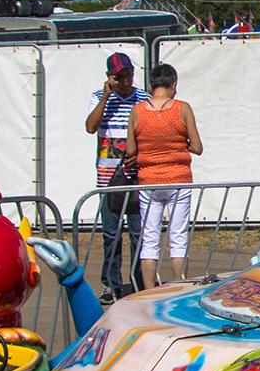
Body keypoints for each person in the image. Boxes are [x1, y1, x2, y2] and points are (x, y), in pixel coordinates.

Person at [127, 62, 202, 289]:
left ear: (150, 86)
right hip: (178, 179)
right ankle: (180, 286)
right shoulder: (183, 108)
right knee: (178, 236)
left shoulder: (137, 110)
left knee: (149, 238)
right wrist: (180, 145)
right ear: (174, 85)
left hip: (148, 181)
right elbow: (197, 147)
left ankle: (149, 290)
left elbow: (130, 150)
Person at [82, 52, 149, 301]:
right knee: (111, 234)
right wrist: (107, 96)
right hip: (108, 177)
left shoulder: (143, 98)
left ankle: (139, 280)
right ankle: (110, 283)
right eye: (119, 76)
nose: (125, 81)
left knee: (138, 232)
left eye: (128, 75)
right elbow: (90, 127)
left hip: (136, 175)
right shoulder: (99, 98)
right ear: (110, 77)